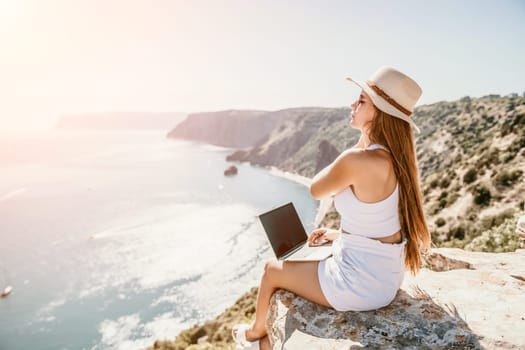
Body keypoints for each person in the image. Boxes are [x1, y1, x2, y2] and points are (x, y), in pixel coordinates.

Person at [232, 66, 431, 350]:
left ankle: (252, 336)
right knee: (311, 257)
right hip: (384, 276)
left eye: (361, 100)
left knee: (271, 269)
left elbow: (315, 188)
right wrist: (339, 235)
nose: (353, 104)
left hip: (360, 285)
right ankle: (263, 340)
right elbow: (383, 222)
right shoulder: (397, 161)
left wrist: (361, 141)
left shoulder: (358, 160)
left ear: (379, 114)